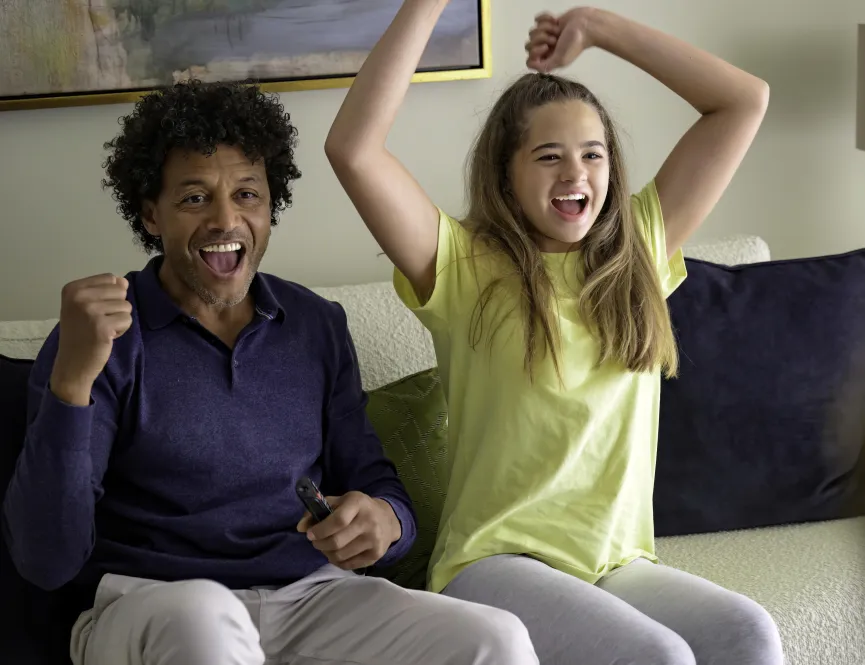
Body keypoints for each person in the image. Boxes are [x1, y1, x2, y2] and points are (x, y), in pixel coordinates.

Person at [2, 80, 539, 665]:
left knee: (495, 639)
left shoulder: (315, 324)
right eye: (194, 198)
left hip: (311, 599)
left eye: (247, 194)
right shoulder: (100, 334)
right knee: (206, 620)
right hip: (154, 603)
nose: (225, 219)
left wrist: (387, 521)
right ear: (150, 214)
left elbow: (377, 483)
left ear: (270, 205)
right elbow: (46, 559)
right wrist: (71, 384)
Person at [326, 2, 783, 664]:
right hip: (492, 563)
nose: (576, 175)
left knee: (748, 630)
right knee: (658, 656)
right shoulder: (461, 266)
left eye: (592, 155)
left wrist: (599, 28)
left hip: (614, 561)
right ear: (506, 177)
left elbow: (744, 100)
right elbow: (353, 148)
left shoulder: (638, 251)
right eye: (548, 156)